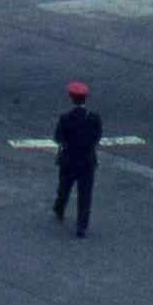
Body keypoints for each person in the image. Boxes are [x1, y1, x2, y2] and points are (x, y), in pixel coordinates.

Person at [52, 80, 103, 237]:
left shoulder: (65, 118)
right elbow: (97, 136)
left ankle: (59, 208)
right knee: (85, 194)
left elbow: (58, 137)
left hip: (68, 160)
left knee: (64, 188)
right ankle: (81, 225)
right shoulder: (94, 118)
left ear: (71, 97)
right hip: (87, 160)